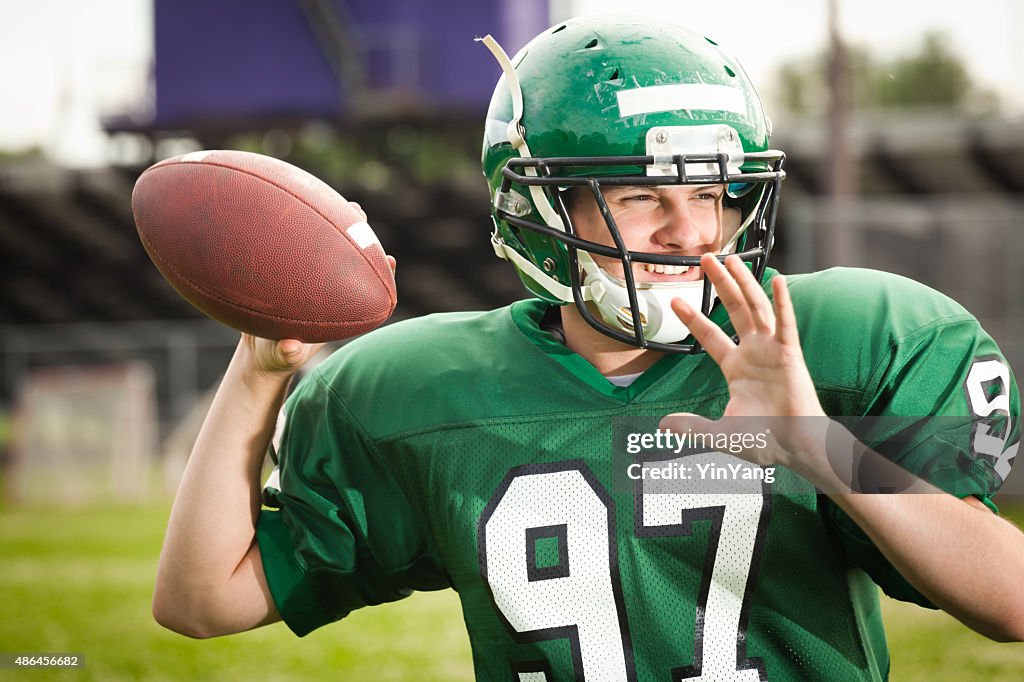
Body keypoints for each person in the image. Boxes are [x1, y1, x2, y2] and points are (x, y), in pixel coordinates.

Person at [153, 14, 1024, 681]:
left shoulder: (849, 344)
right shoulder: (416, 391)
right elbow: (199, 601)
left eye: (717, 191)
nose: (694, 231)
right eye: (642, 195)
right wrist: (256, 370)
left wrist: (821, 446)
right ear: (539, 212)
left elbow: (1011, 603)